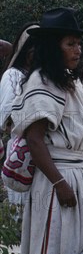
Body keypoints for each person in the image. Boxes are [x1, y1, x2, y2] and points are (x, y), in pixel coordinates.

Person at [10, 7, 83, 254]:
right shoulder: (41, 83)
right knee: (54, 250)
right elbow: (34, 140)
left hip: (78, 175)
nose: (78, 49)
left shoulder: (67, 82)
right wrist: (60, 183)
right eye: (71, 43)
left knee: (79, 251)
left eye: (79, 43)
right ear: (53, 48)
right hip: (57, 179)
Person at [0, 22, 39, 206]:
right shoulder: (13, 76)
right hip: (21, 152)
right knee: (21, 208)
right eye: (34, 47)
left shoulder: (43, 76)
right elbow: (6, 117)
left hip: (43, 153)